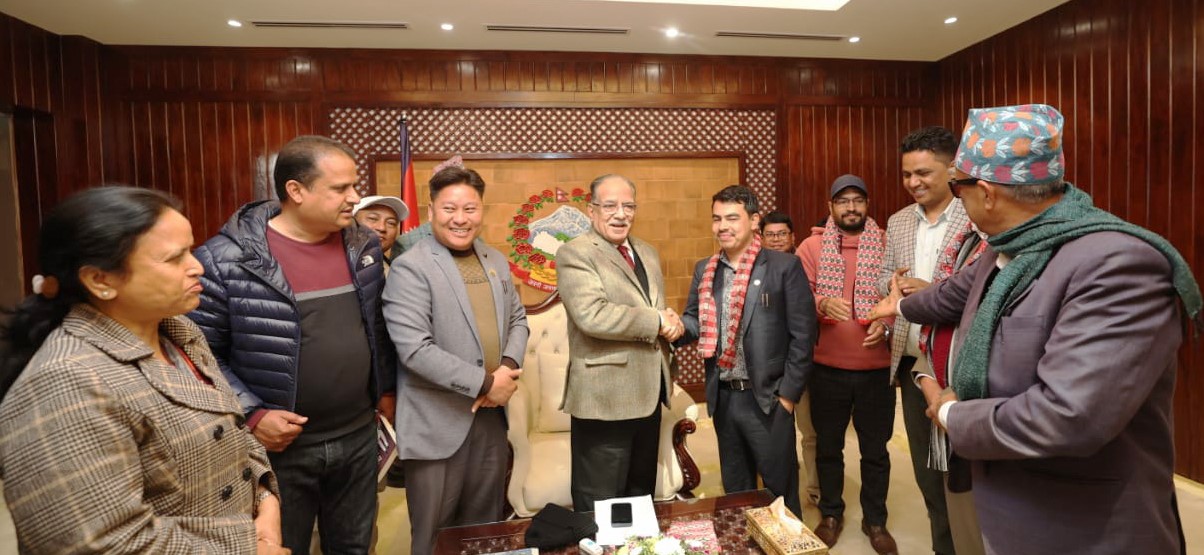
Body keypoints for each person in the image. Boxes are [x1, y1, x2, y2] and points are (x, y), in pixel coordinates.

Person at [870, 103, 1199, 554]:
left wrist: (950, 413)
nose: (958, 199)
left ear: (986, 193)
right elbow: (950, 295)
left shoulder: (1117, 264)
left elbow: (1069, 417)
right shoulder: (1010, 245)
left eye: (958, 187)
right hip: (1002, 506)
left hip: (1077, 527)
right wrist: (900, 306)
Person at [0, 186, 287, 554]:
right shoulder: (67, 381)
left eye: (190, 250)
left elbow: (233, 428)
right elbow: (102, 544)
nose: (197, 267)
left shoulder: (179, 331)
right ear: (100, 280)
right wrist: (247, 547)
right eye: (174, 258)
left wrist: (265, 501)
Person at [189, 135, 395, 554]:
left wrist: (385, 390)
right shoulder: (225, 261)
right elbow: (197, 355)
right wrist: (253, 414)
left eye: (354, 185)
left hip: (358, 437)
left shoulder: (363, 246)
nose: (355, 198)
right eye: (341, 188)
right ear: (296, 191)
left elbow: (375, 328)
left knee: (355, 547)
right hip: (280, 449)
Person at [384, 167, 529, 555]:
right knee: (436, 537)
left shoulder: (495, 259)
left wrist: (507, 368)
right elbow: (415, 349)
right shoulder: (411, 266)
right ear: (431, 210)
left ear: (482, 210)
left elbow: (518, 319)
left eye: (470, 208)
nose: (460, 219)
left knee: (484, 533)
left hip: (490, 421)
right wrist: (487, 383)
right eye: (449, 208)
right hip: (437, 424)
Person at [677, 185, 814, 518]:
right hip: (724, 398)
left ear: (754, 221)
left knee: (779, 494)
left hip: (767, 399)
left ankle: (786, 543)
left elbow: (804, 335)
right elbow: (694, 320)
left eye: (731, 218)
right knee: (736, 492)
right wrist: (673, 326)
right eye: (716, 219)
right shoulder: (706, 269)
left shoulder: (783, 266)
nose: (722, 226)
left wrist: (787, 396)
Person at [556, 174, 681, 512]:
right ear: (591, 209)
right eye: (610, 205)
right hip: (605, 397)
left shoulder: (647, 252)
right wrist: (657, 321)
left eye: (629, 206)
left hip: (648, 394)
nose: (620, 214)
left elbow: (652, 308)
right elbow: (592, 315)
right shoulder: (575, 253)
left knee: (640, 499)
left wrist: (670, 322)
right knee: (600, 502)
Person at [878, 126, 969, 555]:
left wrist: (931, 291)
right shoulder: (898, 222)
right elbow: (885, 276)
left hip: (958, 368)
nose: (913, 182)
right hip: (912, 364)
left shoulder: (975, 217)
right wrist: (893, 286)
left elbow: (984, 290)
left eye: (923, 173)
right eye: (906, 174)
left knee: (965, 477)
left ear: (951, 170)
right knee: (927, 475)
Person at [794, 175, 896, 554]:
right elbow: (797, 297)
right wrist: (821, 303)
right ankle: (831, 515)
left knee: (876, 451)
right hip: (827, 368)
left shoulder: (887, 243)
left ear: (867, 205)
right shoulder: (811, 247)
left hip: (877, 370)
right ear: (830, 206)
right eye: (843, 201)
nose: (851, 208)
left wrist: (887, 324)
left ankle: (875, 520)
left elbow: (901, 295)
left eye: (857, 200)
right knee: (828, 447)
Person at [760, 210, 820, 507]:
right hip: (768, 371)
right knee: (772, 436)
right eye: (770, 235)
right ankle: (774, 489)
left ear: (792, 236)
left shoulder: (803, 264)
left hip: (801, 366)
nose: (776, 240)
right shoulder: (754, 270)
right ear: (761, 238)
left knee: (809, 432)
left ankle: (815, 489)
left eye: (781, 234)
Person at [353, 195, 409, 267]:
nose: (382, 228)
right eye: (373, 218)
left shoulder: (395, 268)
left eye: (391, 223)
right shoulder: (340, 264)